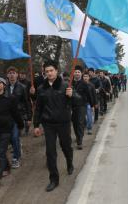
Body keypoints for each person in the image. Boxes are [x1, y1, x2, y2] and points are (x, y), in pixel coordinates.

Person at [33, 60, 75, 192]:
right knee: (50, 152)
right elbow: (38, 108)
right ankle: (54, 179)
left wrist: (71, 95)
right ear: (44, 73)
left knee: (66, 146)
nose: (49, 73)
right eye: (47, 71)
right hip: (48, 124)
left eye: (51, 70)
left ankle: (69, 162)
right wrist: (36, 125)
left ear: (56, 71)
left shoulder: (65, 86)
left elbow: (77, 101)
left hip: (63, 123)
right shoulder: (41, 89)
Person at [6, 66, 32, 167]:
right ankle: (17, 146)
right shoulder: (4, 87)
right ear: (7, 75)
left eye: (14, 73)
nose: (12, 75)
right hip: (7, 117)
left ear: (17, 75)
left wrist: (29, 118)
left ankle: (16, 158)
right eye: (10, 73)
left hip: (18, 116)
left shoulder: (22, 87)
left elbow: (27, 103)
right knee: (10, 138)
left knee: (15, 136)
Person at [71, 65, 93, 149]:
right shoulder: (70, 83)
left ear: (81, 73)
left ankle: (79, 141)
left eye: (78, 72)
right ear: (73, 73)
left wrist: (92, 105)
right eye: (75, 72)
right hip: (72, 106)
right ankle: (78, 136)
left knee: (80, 122)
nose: (77, 73)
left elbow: (89, 94)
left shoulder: (84, 83)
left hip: (82, 106)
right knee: (75, 123)